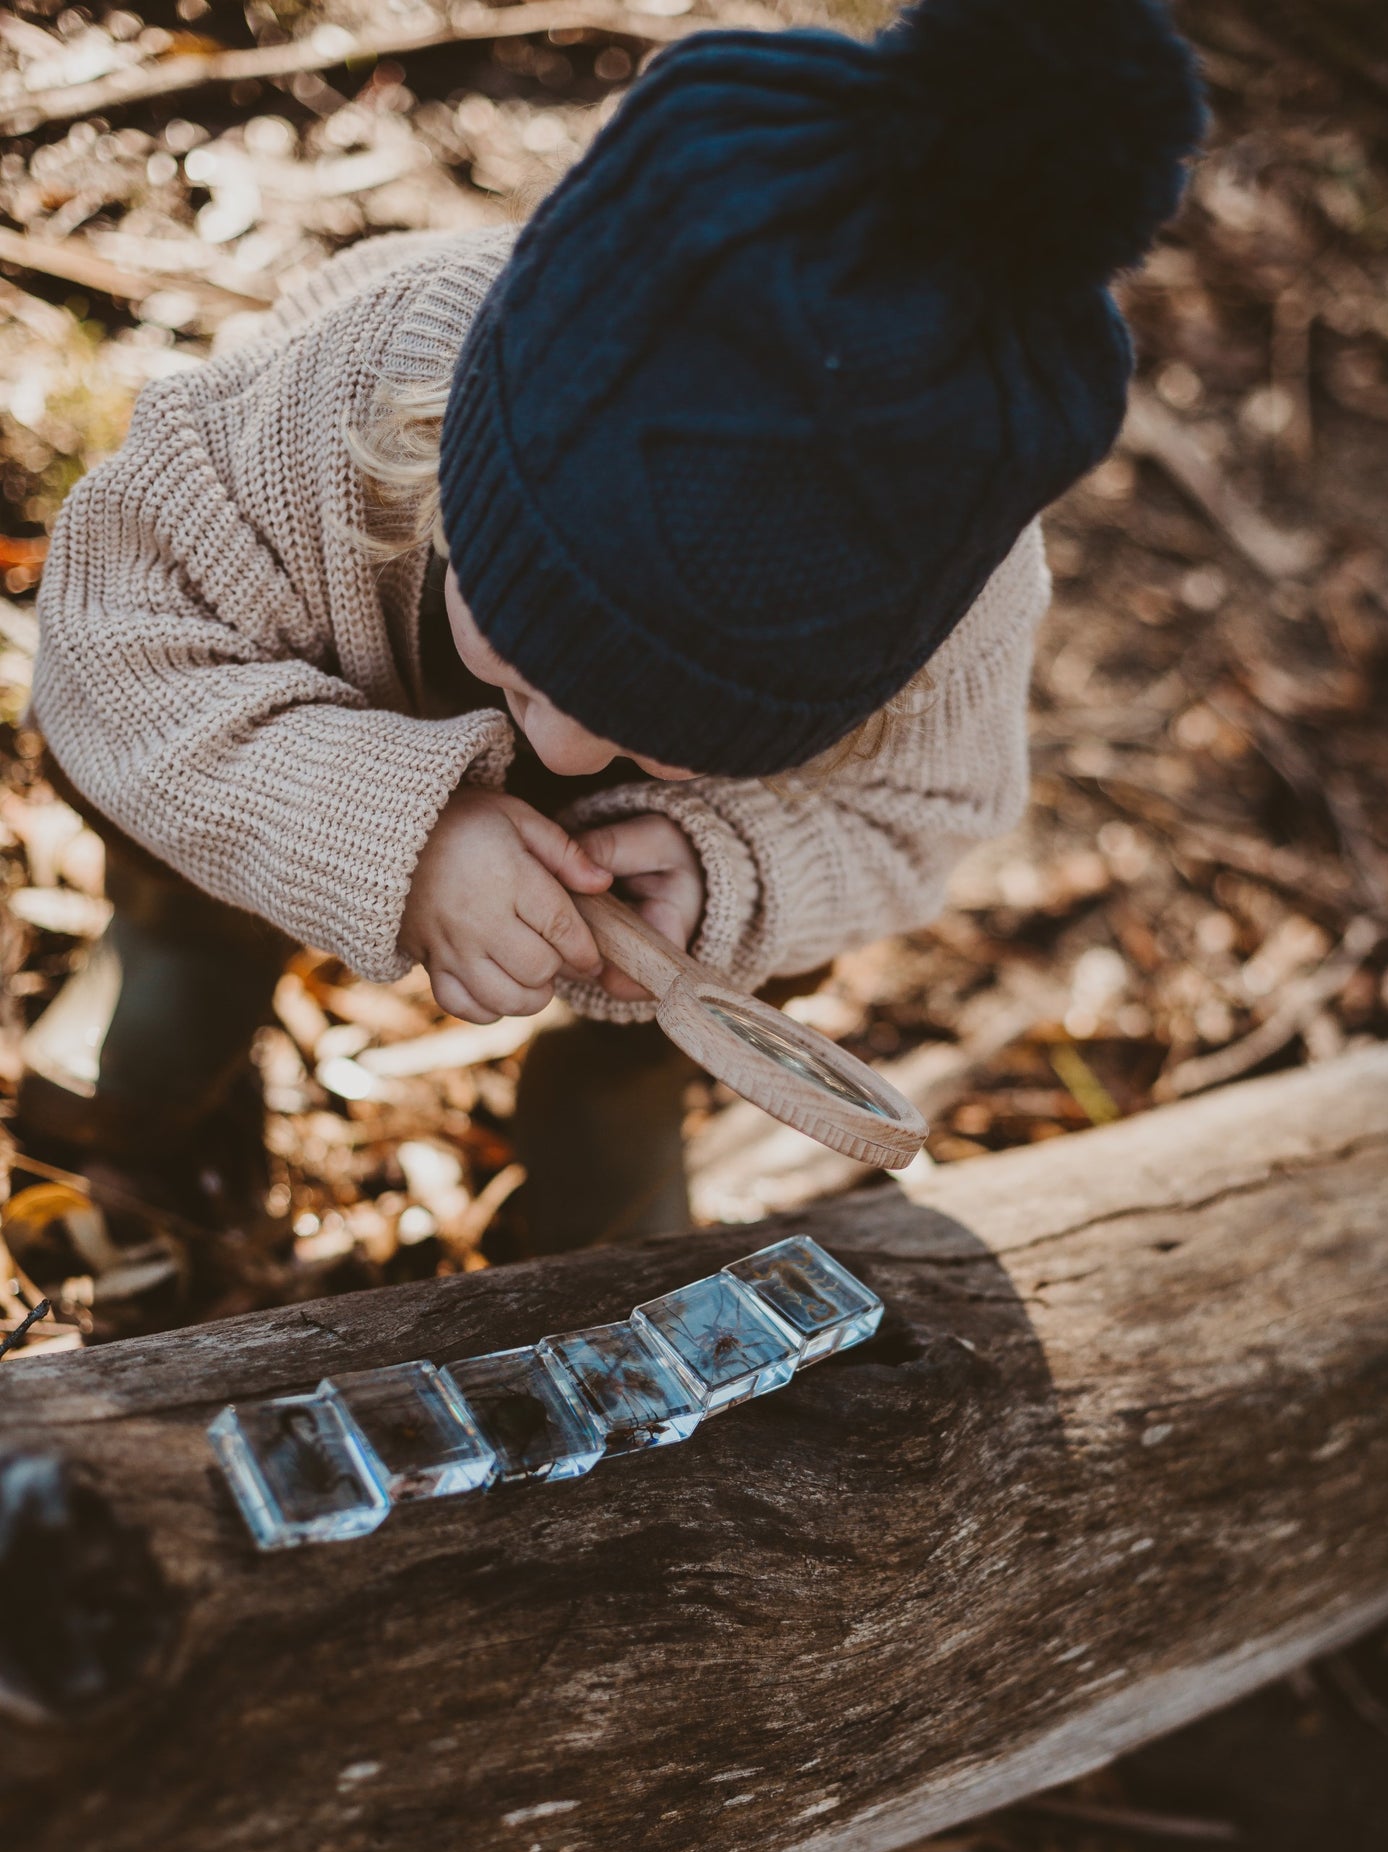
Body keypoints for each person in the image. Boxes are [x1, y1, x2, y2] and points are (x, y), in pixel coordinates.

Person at [21, 0, 1205, 1252]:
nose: (575, 756)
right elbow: (118, 637)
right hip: (294, 708)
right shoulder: (343, 400)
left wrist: (725, 873)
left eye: (673, 735)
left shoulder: (951, 601)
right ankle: (192, 945)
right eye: (523, 671)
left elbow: (916, 816)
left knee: (762, 915)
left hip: (668, 923)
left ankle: (617, 1089)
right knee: (163, 788)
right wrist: (400, 831)